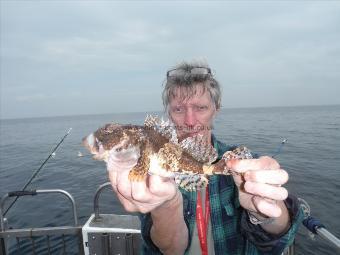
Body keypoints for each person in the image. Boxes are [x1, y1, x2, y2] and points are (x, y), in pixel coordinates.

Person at [108, 60, 303, 255]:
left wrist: (265, 212)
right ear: (169, 113)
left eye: (201, 108)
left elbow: (281, 238)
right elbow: (170, 249)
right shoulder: (152, 170)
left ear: (216, 109)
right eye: (179, 109)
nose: (190, 121)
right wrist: (166, 204)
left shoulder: (241, 163)